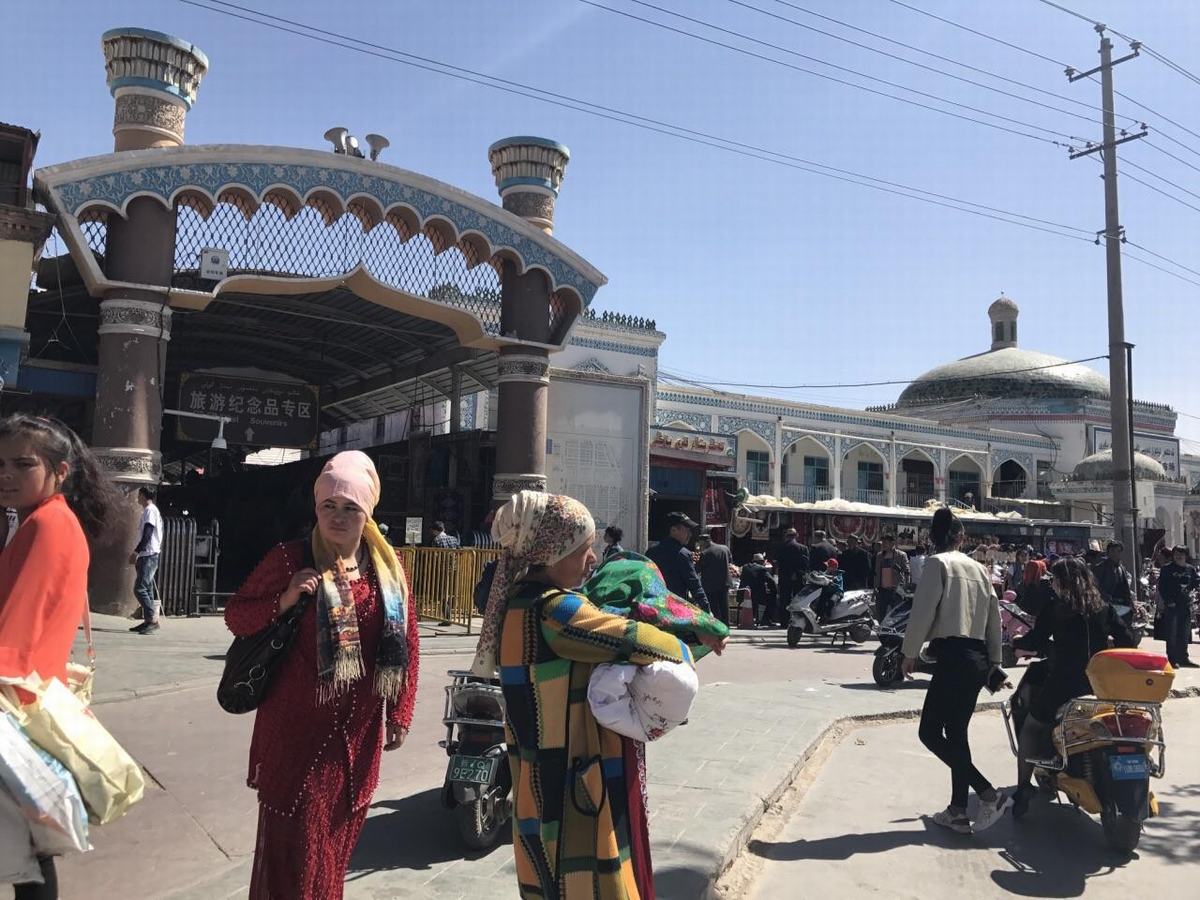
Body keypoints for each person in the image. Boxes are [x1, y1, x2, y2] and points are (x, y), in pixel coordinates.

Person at [470, 491, 725, 899]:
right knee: (584, 882)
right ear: (553, 552)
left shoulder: (518, 603)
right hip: (568, 781)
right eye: (584, 549)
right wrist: (694, 637)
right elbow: (638, 641)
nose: (592, 559)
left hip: (538, 774)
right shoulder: (556, 611)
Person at [225, 451, 420, 900]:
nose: (338, 516)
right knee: (294, 855)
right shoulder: (290, 559)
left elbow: (408, 643)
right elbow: (238, 616)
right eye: (328, 506)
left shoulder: (389, 571)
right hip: (295, 733)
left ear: (367, 512)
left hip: (358, 738)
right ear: (316, 509)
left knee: (333, 849)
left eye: (350, 507)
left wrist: (401, 713)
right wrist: (285, 599)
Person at [0, 414, 118, 899]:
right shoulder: (50, 521)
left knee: (25, 855)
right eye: (0, 463)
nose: (6, 474)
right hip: (32, 702)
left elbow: (17, 631)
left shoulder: (45, 525)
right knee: (28, 854)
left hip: (16, 703)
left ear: (61, 471)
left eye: (22, 464)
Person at [902, 507, 1008, 835]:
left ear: (931, 538)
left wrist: (909, 652)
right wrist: (995, 663)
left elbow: (922, 610)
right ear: (961, 538)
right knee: (957, 733)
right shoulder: (980, 569)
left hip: (952, 657)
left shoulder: (936, 564)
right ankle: (958, 810)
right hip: (976, 660)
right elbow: (994, 618)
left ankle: (987, 793)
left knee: (930, 733)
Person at [1011, 558, 1136, 816]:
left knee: (1031, 728)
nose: (1052, 585)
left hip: (1065, 684)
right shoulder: (1104, 608)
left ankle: (1023, 788)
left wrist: (1016, 641)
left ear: (1062, 582)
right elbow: (1128, 639)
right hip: (1102, 686)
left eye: (1054, 580)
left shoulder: (1057, 608)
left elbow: (1035, 639)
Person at [646, 511, 709, 611]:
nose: (690, 534)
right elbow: (694, 585)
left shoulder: (651, 552)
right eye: (687, 530)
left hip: (655, 607)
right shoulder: (683, 554)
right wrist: (706, 609)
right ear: (673, 530)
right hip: (675, 610)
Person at [127, 486, 164, 634]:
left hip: (148, 554)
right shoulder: (150, 510)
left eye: (138, 495)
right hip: (147, 554)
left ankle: (153, 620)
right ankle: (148, 620)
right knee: (147, 588)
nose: (137, 497)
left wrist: (137, 551)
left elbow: (148, 533)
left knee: (140, 588)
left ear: (142, 495)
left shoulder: (150, 511)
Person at [1157, 545, 1199, 668]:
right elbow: (1162, 587)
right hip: (1172, 605)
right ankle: (1172, 659)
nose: (1178, 556)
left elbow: (1196, 583)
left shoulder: (1190, 569)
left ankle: (1183, 658)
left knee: (1184, 633)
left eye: (1181, 554)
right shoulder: (1167, 569)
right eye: (1176, 553)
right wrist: (1168, 601)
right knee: (1172, 633)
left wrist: (1192, 594)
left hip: (1185, 605)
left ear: (1186, 555)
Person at [697, 532, 734, 625]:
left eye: (700, 544)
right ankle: (726, 625)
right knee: (724, 605)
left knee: (714, 606)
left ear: (704, 542)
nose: (700, 546)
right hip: (725, 582)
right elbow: (730, 561)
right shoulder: (725, 548)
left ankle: (716, 626)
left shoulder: (705, 553)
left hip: (710, 584)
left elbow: (697, 569)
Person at [874, 533, 910, 621]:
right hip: (882, 590)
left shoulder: (901, 555)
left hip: (896, 590)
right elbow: (876, 573)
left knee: (897, 615)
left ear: (892, 543)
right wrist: (875, 587)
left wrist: (906, 589)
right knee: (880, 614)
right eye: (883, 542)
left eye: (885, 542)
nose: (883, 545)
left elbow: (907, 572)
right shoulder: (879, 556)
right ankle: (882, 633)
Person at [740, 553, 777, 628]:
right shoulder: (761, 569)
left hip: (743, 594)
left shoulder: (745, 567)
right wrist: (774, 590)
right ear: (761, 561)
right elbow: (771, 580)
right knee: (772, 599)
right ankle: (766, 620)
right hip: (757, 596)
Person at [773, 528, 808, 607]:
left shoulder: (780, 547)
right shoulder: (803, 548)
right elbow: (805, 564)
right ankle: (796, 617)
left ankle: (784, 618)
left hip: (784, 577)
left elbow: (776, 562)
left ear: (786, 536)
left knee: (784, 599)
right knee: (798, 599)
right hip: (798, 577)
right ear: (796, 536)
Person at [1092, 540, 1132, 607]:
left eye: (1118, 551)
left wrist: (1130, 602)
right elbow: (1095, 586)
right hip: (1105, 604)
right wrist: (1107, 598)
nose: (1115, 554)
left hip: (1121, 603)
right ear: (1108, 553)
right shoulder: (1101, 567)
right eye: (1113, 551)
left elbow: (1126, 588)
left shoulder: (1121, 568)